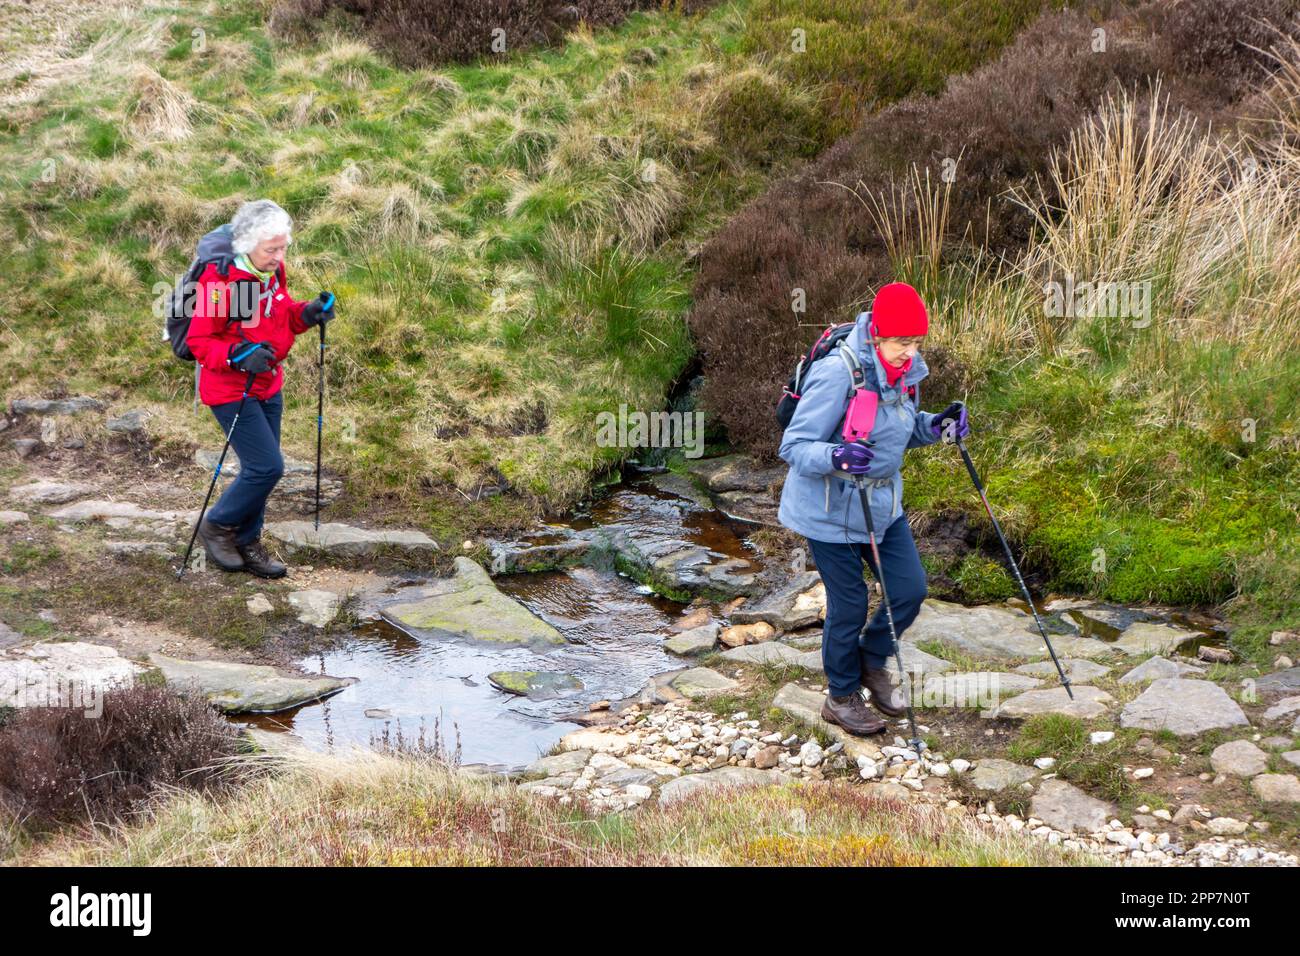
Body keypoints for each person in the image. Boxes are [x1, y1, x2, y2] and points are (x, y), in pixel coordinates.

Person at [776, 282, 969, 735]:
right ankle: (841, 696)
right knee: (850, 603)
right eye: (903, 342)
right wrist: (836, 456)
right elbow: (795, 445)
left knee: (910, 590)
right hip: (828, 511)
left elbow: (904, 428)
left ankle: (871, 660)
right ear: (878, 335)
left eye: (917, 341)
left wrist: (939, 426)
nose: (910, 351)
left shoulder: (905, 370)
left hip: (881, 504)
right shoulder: (838, 374)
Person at [186, 199, 336, 578]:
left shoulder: (269, 273)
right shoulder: (220, 284)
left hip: (268, 383)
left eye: (283, 247)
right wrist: (238, 356)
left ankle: (247, 541)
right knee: (267, 467)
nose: (279, 256)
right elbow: (200, 342)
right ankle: (216, 524)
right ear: (248, 243)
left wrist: (307, 313)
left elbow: (277, 314)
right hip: (230, 388)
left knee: (260, 468)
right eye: (272, 249)